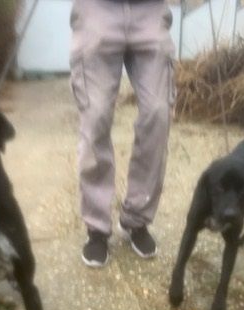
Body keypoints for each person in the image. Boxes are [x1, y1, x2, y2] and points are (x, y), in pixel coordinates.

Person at [69, 0, 176, 267]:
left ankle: (137, 219)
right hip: (97, 10)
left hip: (150, 11)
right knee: (95, 117)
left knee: (158, 114)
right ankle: (96, 227)